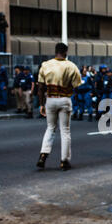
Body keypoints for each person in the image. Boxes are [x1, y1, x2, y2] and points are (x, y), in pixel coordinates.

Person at [36, 43, 82, 171]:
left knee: (50, 128)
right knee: (65, 130)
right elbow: (77, 84)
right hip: (65, 99)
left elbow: (40, 88)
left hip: (50, 99)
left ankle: (43, 155)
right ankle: (64, 160)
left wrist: (41, 104)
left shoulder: (46, 65)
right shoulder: (71, 66)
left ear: (55, 51)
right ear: (66, 52)